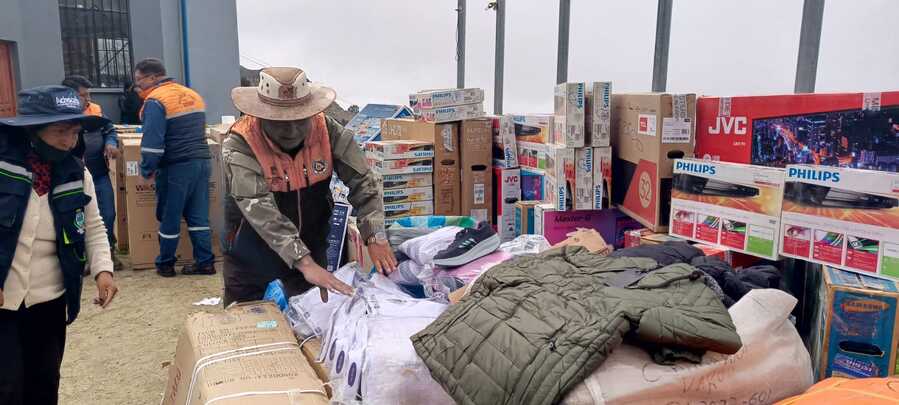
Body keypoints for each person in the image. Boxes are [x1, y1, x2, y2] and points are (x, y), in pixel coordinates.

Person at [221, 67, 396, 306]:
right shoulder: (240, 143)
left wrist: (374, 235)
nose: (292, 130)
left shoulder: (329, 132)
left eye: (300, 120)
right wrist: (304, 262)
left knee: (310, 323)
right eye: (281, 122)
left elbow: (363, 181)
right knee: (248, 326)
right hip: (252, 252)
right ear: (261, 115)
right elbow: (260, 208)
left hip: (312, 246)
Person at [0, 85, 118, 405]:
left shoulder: (77, 173)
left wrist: (103, 270)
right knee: (7, 387)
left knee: (44, 383)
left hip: (49, 298)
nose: (70, 140)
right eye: (60, 131)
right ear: (32, 130)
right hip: (4, 300)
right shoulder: (3, 167)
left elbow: (93, 226)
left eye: (75, 131)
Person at [133, 58, 215, 277]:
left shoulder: (155, 101)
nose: (137, 85)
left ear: (152, 77)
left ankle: (166, 264)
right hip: (202, 161)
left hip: (176, 166)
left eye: (139, 80)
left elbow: (152, 144)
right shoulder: (192, 95)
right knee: (198, 217)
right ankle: (205, 262)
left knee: (170, 215)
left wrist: (146, 170)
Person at [61, 75, 122, 270]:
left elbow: (109, 130)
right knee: (77, 218)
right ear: (69, 96)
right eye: (83, 95)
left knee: (107, 214)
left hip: (99, 173)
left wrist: (111, 143)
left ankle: (109, 254)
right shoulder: (60, 117)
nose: (88, 99)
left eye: (89, 94)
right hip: (72, 177)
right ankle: (82, 258)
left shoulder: (94, 110)